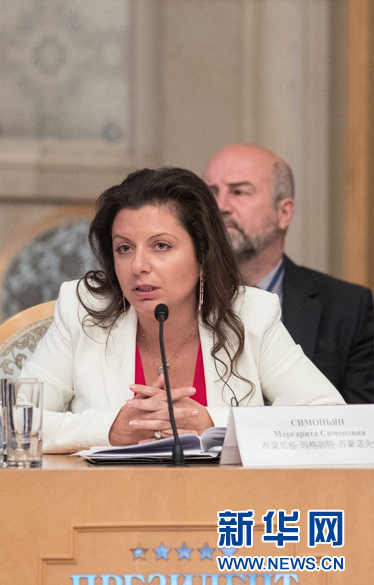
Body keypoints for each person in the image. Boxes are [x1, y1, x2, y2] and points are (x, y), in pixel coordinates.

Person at [21, 167, 344, 453]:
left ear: (202, 255)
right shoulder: (83, 308)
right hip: (105, 497)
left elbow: (331, 421)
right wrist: (109, 430)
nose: (138, 265)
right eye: (124, 248)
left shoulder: (251, 314)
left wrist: (214, 424)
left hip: (222, 498)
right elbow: (16, 420)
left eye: (161, 246)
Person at [203, 144, 374, 403]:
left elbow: (360, 420)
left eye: (239, 192)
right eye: (211, 192)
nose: (220, 205)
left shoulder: (348, 307)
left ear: (284, 212)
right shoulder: (179, 300)